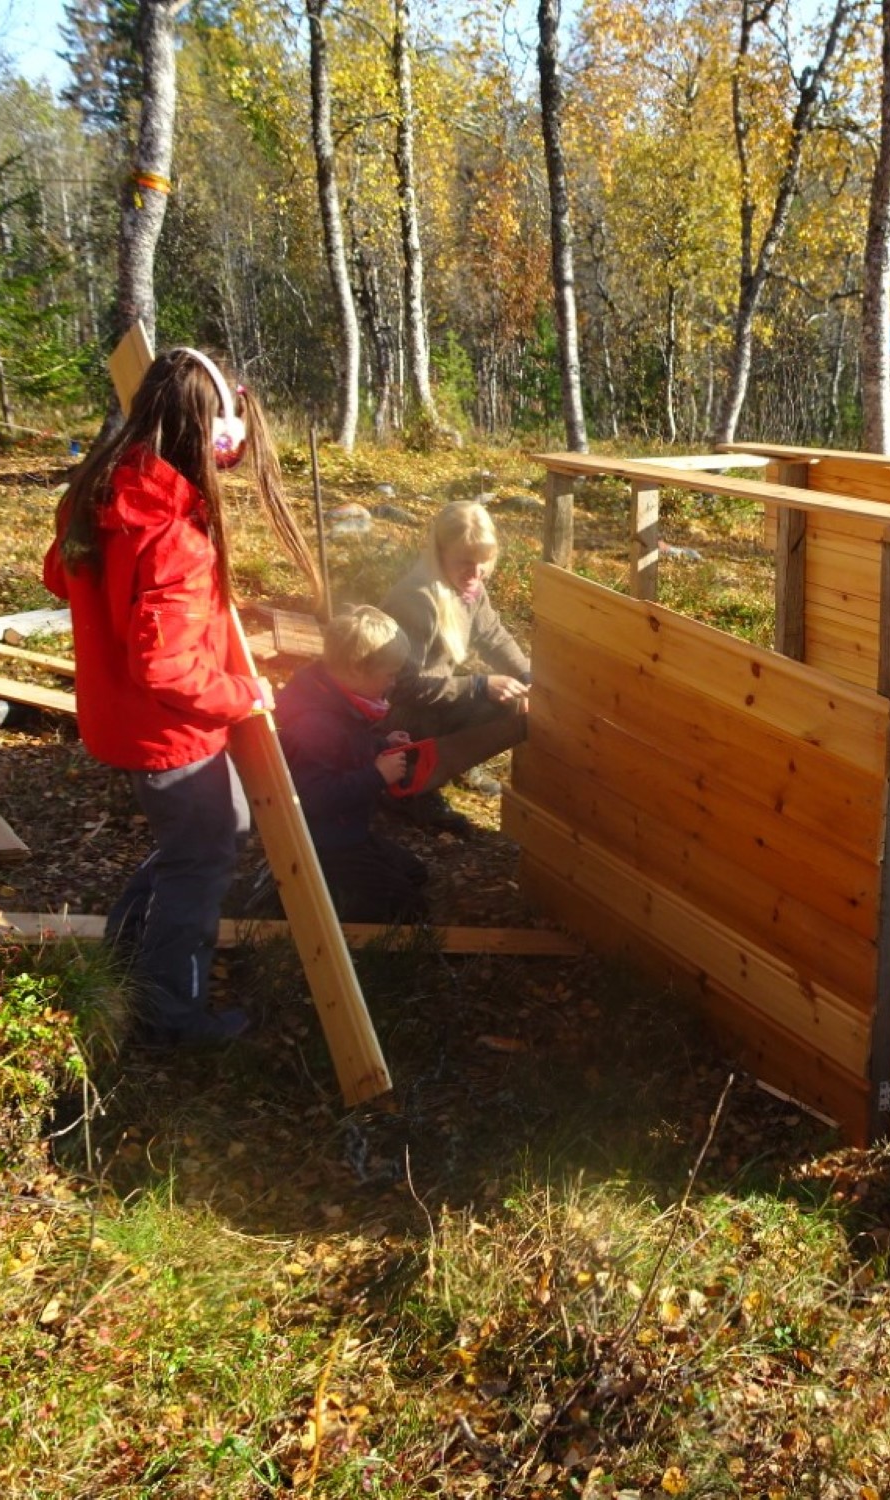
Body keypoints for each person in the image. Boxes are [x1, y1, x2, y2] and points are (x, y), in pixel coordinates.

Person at [44, 347, 321, 1046]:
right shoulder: (173, 537)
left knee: (211, 832)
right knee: (201, 855)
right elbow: (163, 670)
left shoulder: (99, 490)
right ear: (211, 432)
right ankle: (169, 1012)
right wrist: (242, 690)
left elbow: (61, 576)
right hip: (167, 732)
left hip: (121, 718)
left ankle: (130, 956)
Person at [380, 500, 530, 836]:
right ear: (439, 553)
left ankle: (455, 764)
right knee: (494, 696)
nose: (476, 574)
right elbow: (404, 686)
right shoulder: (417, 599)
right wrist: (478, 686)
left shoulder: (468, 586)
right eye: (465, 562)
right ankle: (412, 787)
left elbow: (492, 635)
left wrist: (527, 675)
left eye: (484, 562)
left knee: (516, 699)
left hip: (431, 697)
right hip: (395, 716)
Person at [274, 606, 431, 925]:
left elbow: (345, 749)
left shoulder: (334, 699)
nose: (393, 682)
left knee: (415, 873)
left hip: (347, 829)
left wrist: (381, 745)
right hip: (325, 842)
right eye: (389, 674)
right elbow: (315, 798)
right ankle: (315, 902)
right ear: (358, 669)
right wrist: (376, 775)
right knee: (406, 907)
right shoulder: (316, 724)